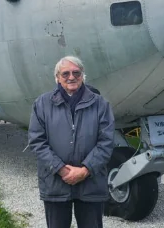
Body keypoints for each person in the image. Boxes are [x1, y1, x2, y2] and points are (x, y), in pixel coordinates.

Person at [28, 56, 115, 228]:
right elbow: (37, 141)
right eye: (65, 73)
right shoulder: (42, 104)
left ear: (83, 75)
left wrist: (85, 170)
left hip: (91, 184)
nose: (71, 77)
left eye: (76, 72)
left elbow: (106, 141)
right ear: (57, 78)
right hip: (56, 184)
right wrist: (61, 170)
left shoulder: (100, 104)